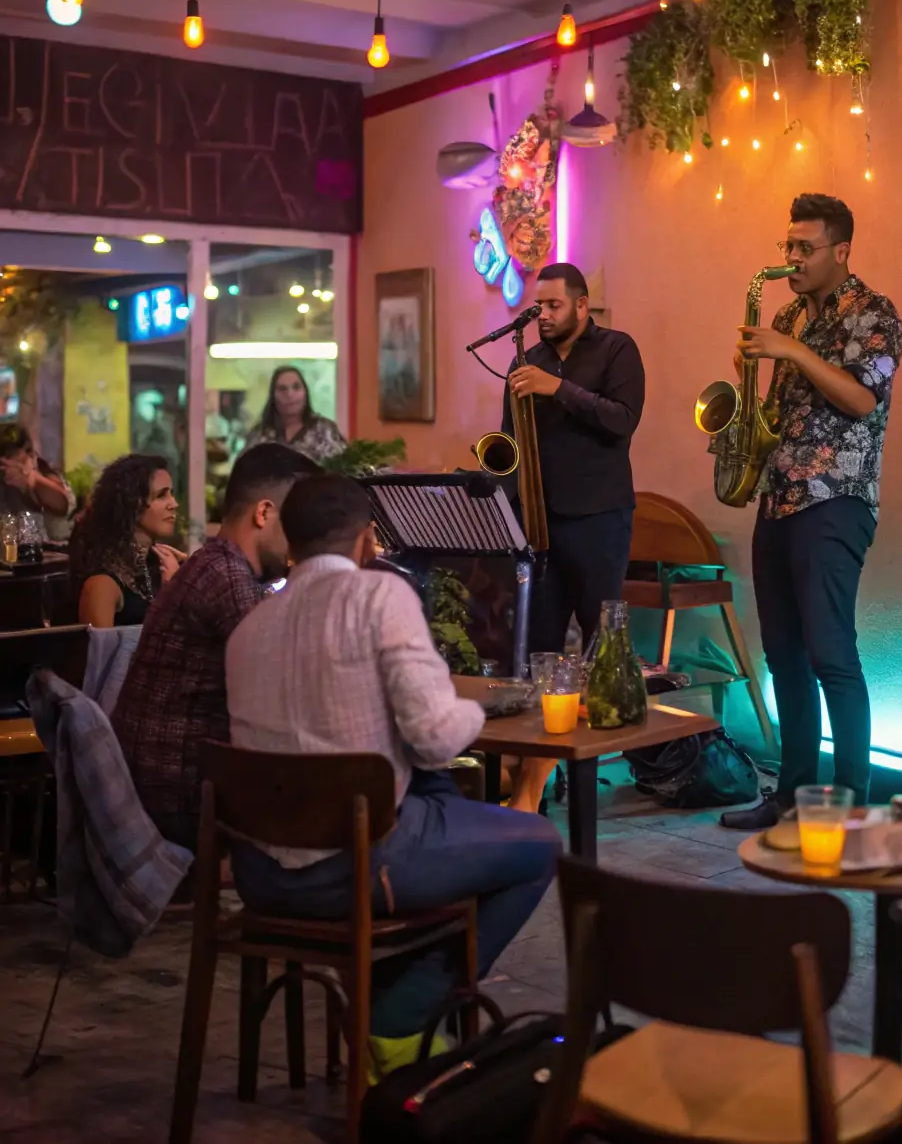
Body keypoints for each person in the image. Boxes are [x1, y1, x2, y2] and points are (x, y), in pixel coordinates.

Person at [226, 473, 561, 1073]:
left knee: (433, 796)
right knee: (539, 843)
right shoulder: (380, 597)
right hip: (356, 864)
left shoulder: (249, 628)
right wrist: (477, 709)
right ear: (366, 541)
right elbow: (435, 738)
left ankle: (395, 991)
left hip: (261, 876)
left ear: (290, 540)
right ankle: (402, 1013)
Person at [721, 193, 902, 830]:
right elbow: (780, 413)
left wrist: (793, 352)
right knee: (783, 658)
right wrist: (749, 381)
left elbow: (861, 399)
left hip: (836, 501)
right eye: (788, 246)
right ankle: (791, 797)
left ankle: (850, 807)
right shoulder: (789, 314)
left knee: (832, 656)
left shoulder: (875, 313)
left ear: (841, 250)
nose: (792, 258)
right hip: (778, 498)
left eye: (805, 247)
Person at [112, 443, 321, 850]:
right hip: (180, 796)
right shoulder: (226, 577)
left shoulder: (216, 563)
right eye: (297, 525)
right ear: (264, 513)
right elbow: (290, 681)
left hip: (166, 781)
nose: (301, 542)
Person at [500, 263, 645, 809]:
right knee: (536, 648)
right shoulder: (527, 361)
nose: (543, 315)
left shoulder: (616, 350)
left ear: (582, 306)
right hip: (541, 524)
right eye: (539, 306)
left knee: (596, 645)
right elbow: (512, 443)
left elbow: (622, 420)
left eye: (554, 305)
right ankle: (533, 782)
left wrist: (558, 389)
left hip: (600, 517)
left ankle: (585, 773)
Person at [68, 454, 183, 628]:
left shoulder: (161, 566)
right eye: (161, 495)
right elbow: (101, 649)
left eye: (171, 494)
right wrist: (171, 596)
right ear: (132, 504)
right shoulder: (102, 584)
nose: (174, 504)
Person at [244, 365, 346, 463]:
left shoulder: (324, 431)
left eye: (296, 387)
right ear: (273, 396)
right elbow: (243, 470)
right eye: (282, 389)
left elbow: (344, 468)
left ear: (305, 393)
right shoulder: (259, 435)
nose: (290, 394)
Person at [0, 424, 75, 541]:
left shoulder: (43, 474)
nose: (8, 466)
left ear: (30, 455)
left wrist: (30, 478)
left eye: (10, 456)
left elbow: (62, 505)